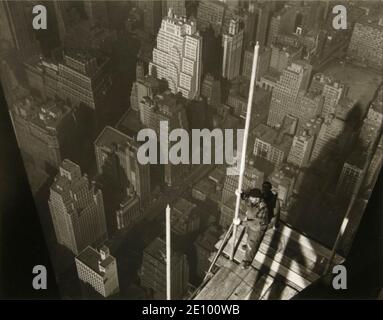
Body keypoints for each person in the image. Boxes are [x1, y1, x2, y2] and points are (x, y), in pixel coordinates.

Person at [239, 188, 269, 269]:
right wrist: (241, 194)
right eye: (250, 197)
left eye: (252, 198)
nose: (250, 199)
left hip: (257, 228)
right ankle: (249, 247)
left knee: (252, 243)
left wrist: (241, 223)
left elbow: (256, 222)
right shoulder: (251, 200)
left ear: (258, 198)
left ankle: (247, 262)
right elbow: (245, 198)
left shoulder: (263, 208)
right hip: (250, 225)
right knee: (249, 235)